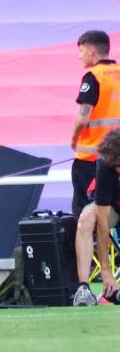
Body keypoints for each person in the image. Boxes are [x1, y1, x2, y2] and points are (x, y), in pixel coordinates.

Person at [70, 30, 119, 218]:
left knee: (83, 213)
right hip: (117, 157)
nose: (79, 55)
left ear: (91, 50)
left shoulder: (93, 77)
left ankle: (87, 247)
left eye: (81, 50)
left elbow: (83, 117)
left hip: (90, 158)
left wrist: (74, 140)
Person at [73, 129, 120, 306]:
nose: (118, 170)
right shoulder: (105, 165)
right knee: (86, 218)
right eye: (115, 166)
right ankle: (83, 289)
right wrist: (106, 270)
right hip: (115, 208)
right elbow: (102, 221)